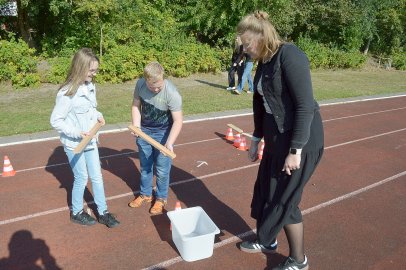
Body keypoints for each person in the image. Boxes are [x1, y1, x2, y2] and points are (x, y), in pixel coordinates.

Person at [236, 11, 324, 270]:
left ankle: (299, 260)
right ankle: (269, 241)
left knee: (285, 200)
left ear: (263, 37)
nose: (245, 50)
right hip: (276, 137)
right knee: (267, 191)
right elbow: (260, 104)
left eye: (248, 45)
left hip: (301, 139)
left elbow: (305, 106)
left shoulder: (290, 55)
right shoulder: (263, 61)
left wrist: (295, 150)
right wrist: (255, 139)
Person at [50, 48, 120, 228]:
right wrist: (76, 132)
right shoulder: (67, 93)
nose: (94, 73)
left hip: (90, 141)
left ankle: (103, 212)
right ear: (80, 68)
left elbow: (90, 109)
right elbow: (56, 120)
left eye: (95, 70)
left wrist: (99, 115)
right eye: (92, 70)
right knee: (81, 177)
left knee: (97, 176)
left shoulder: (90, 86)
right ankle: (76, 212)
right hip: (75, 144)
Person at [128, 61, 183, 215]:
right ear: (146, 80)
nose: (157, 89)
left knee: (162, 169)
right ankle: (145, 195)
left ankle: (160, 199)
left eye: (159, 86)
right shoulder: (140, 85)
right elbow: (135, 106)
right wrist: (137, 126)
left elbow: (178, 120)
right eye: (153, 87)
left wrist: (169, 143)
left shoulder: (172, 93)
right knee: (145, 166)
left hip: (164, 132)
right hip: (145, 131)